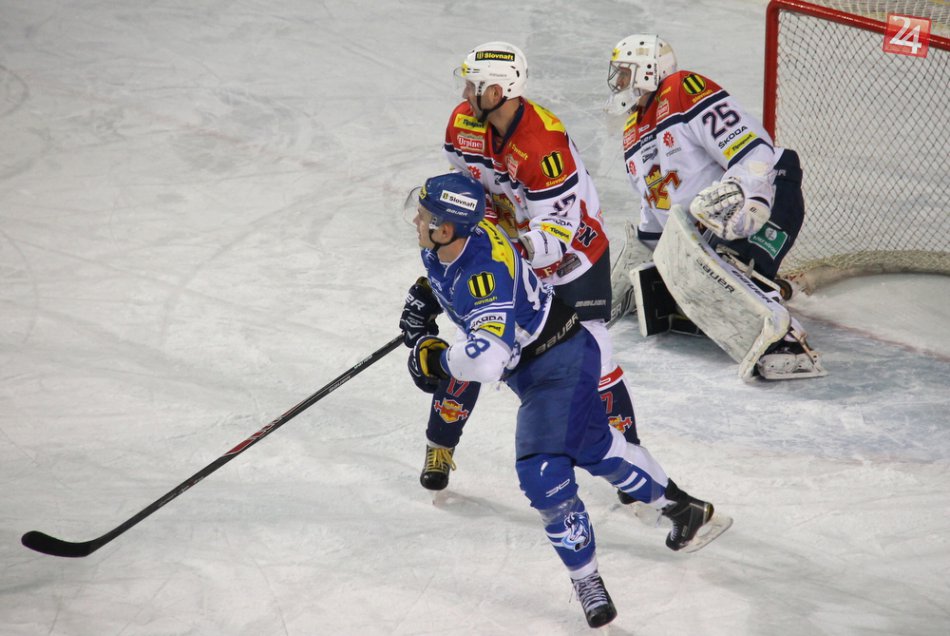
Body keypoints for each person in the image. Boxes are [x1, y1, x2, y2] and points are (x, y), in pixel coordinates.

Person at [403, 170, 720, 628]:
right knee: (597, 450)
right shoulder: (452, 244)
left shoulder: (483, 274)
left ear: (446, 228)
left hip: (556, 366)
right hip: (554, 357)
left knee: (541, 471)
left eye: (424, 215)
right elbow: (460, 288)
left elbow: (487, 361)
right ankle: (682, 507)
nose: (416, 220)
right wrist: (427, 293)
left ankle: (587, 580)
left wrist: (433, 358)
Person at [400, 41, 640, 494]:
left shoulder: (543, 144)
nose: (465, 92)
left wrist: (501, 261)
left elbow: (558, 230)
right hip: (507, 247)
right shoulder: (462, 124)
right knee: (479, 342)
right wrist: (458, 266)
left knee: (595, 353)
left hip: (572, 257)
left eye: (473, 85)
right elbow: (468, 200)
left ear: (496, 92)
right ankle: (440, 444)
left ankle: (629, 455)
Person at [603, 34, 825, 379]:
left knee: (726, 267)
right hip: (711, 225)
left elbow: (753, 148)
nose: (618, 82)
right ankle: (750, 284)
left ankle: (787, 342)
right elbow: (657, 207)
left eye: (624, 73)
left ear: (648, 71)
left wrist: (749, 196)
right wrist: (646, 262)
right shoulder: (633, 130)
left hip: (770, 190)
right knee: (691, 284)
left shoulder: (681, 89)